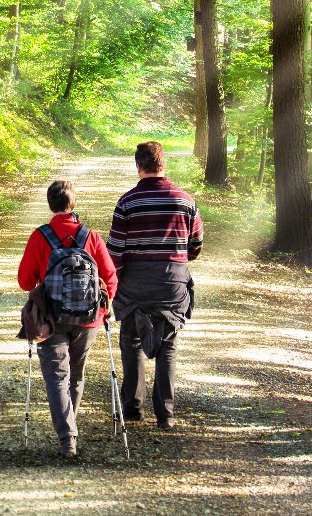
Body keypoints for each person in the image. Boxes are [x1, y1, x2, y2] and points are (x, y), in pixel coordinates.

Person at [17, 179, 119, 458]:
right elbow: (110, 277)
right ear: (73, 204)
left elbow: (25, 281)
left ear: (50, 204)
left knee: (56, 377)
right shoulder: (91, 237)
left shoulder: (40, 237)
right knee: (76, 374)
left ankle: (67, 438)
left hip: (50, 319)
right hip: (88, 318)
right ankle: (69, 429)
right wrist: (105, 307)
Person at [107, 140, 202, 430]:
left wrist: (117, 284)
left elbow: (115, 252)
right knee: (168, 344)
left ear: (138, 167)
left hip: (135, 280)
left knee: (132, 340)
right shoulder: (186, 201)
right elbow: (195, 246)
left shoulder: (127, 202)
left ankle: (133, 407)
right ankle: (165, 415)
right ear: (164, 165)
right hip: (172, 280)